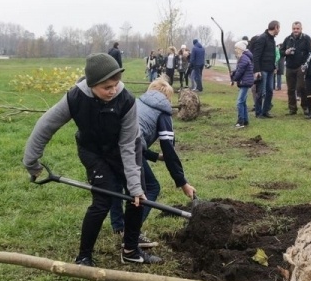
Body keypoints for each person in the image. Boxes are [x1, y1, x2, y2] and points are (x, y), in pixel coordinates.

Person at [23, 53, 161, 266]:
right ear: (92, 85)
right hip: (93, 152)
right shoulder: (75, 98)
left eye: (115, 84)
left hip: (122, 150)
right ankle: (84, 256)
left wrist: (134, 187)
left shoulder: (126, 100)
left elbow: (128, 145)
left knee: (138, 197)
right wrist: (31, 162)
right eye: (106, 87)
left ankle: (131, 251)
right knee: (102, 199)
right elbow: (46, 126)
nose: (113, 90)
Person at [109, 77, 196, 238]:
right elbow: (169, 149)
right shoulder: (163, 112)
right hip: (130, 150)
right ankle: (131, 231)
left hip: (109, 146)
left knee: (117, 184)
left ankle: (119, 226)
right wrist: (183, 183)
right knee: (151, 187)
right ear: (168, 97)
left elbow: (137, 140)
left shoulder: (137, 103)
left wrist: (156, 156)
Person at [280, 22, 311, 115]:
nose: (296, 30)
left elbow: (310, 52)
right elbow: (281, 51)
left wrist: (305, 64)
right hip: (289, 66)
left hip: (301, 66)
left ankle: (305, 107)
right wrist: (286, 52)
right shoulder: (287, 39)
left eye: (297, 28)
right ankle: (292, 108)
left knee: (302, 87)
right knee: (290, 89)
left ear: (301, 29)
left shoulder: (306, 38)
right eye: (294, 28)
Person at [251, 20, 280, 118]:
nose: (279, 30)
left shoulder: (272, 40)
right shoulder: (262, 38)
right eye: (279, 28)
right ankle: (258, 113)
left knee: (270, 91)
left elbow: (272, 55)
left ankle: (265, 111)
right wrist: (256, 70)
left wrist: (274, 67)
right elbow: (256, 55)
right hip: (262, 69)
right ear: (275, 27)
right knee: (260, 92)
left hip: (270, 69)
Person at [231, 40, 254, 127]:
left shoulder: (243, 58)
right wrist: (233, 73)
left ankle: (240, 122)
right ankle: (245, 120)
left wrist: (234, 78)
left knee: (239, 102)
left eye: (236, 48)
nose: (235, 50)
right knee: (243, 102)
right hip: (245, 82)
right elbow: (238, 69)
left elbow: (240, 71)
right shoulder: (244, 58)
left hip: (245, 82)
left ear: (240, 49)